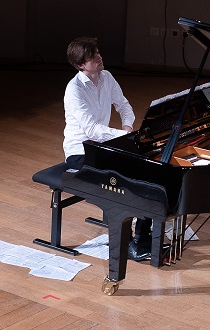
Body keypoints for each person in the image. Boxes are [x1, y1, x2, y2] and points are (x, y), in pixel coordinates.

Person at [62, 36, 152, 261]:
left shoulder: (107, 77)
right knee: (126, 179)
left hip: (105, 145)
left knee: (146, 169)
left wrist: (128, 127)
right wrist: (126, 136)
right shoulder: (74, 90)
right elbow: (92, 130)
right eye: (92, 57)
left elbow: (123, 105)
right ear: (81, 65)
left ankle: (143, 235)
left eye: (98, 53)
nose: (99, 58)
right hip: (80, 152)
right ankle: (127, 235)